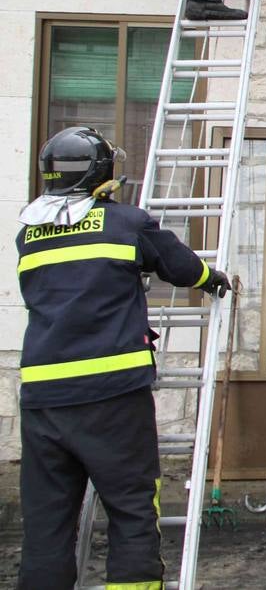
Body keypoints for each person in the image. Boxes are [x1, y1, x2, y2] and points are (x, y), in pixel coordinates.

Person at [16, 126, 231, 589]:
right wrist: (211, 277)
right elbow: (179, 265)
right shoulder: (126, 224)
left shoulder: (29, 237)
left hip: (41, 401)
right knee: (132, 511)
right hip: (112, 396)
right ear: (101, 173)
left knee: (46, 528)